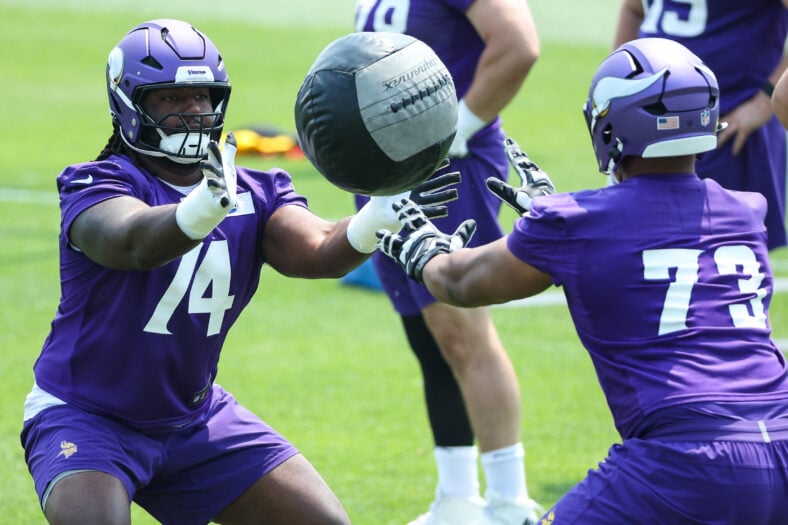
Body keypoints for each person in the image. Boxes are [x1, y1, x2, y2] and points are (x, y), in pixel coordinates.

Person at [19, 19, 460, 525]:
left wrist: (374, 219)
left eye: (202, 97)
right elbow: (132, 242)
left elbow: (317, 251)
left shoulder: (255, 189)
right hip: (87, 414)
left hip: (194, 419)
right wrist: (202, 209)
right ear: (130, 104)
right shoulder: (96, 181)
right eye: (170, 98)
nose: (192, 111)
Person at [378, 37, 788, 524]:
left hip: (682, 459)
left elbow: (464, 283)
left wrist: (423, 251)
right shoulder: (746, 212)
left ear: (612, 126)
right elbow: (648, 232)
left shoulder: (577, 223)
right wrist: (555, 221)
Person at [352, 1, 542, 523]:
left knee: (464, 333)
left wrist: (458, 126)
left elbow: (519, 45)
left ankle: (508, 500)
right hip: (385, 163)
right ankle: (458, 498)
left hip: (444, 168)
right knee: (428, 336)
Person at [614, 0, 788, 252]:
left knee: (725, 263)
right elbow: (634, 8)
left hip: (725, 130)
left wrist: (764, 101)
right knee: (633, 249)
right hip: (643, 126)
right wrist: (618, 87)